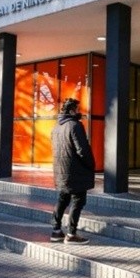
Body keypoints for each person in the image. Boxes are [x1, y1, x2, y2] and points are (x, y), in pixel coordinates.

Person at [50, 98, 95, 245]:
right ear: (71, 110)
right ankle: (71, 234)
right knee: (78, 200)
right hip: (75, 170)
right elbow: (82, 150)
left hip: (61, 170)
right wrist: (91, 164)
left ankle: (56, 231)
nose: (78, 111)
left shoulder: (56, 127)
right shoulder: (75, 126)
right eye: (76, 108)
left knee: (63, 199)